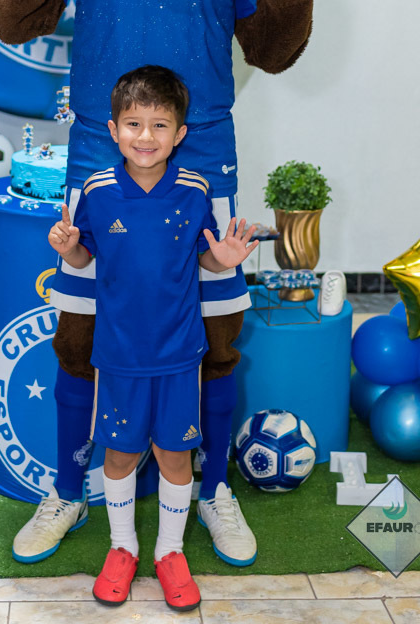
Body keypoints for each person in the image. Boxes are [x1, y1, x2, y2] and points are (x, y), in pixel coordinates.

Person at [47, 66, 258, 610]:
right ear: (114, 130)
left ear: (179, 133)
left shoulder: (194, 191)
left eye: (160, 125)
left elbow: (204, 258)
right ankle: (123, 548)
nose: (146, 136)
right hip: (118, 357)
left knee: (174, 457)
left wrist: (223, 260)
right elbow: (85, 257)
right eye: (134, 124)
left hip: (179, 355)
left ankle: (170, 552)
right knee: (119, 456)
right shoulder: (97, 192)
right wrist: (69, 249)